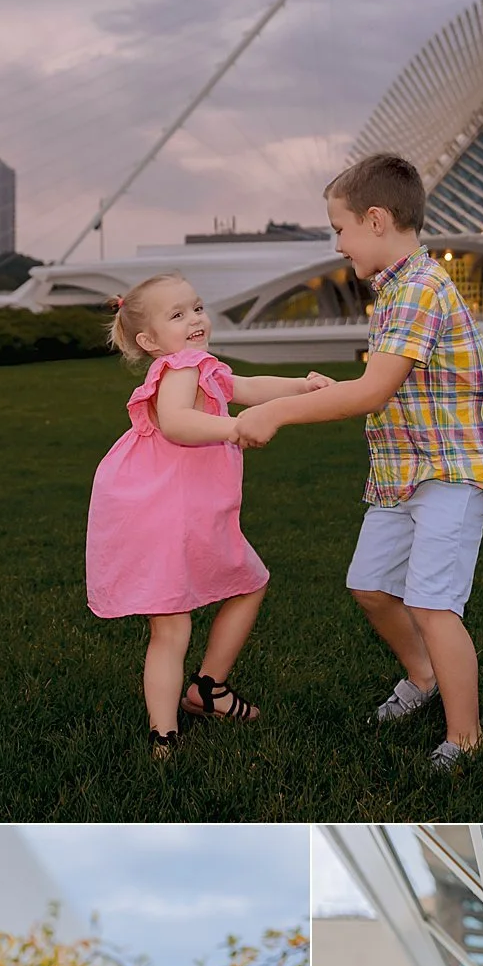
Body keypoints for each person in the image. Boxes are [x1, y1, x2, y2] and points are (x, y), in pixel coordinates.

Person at [235, 151, 483, 770]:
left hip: (450, 472)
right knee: (370, 586)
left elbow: (373, 391)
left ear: (377, 220)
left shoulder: (419, 290)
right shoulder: (394, 291)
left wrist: (275, 412)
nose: (336, 244)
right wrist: (326, 390)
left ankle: (466, 738)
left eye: (339, 228)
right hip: (402, 472)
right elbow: (381, 382)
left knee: (434, 605)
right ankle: (424, 677)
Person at [87, 272, 332, 758]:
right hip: (164, 513)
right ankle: (168, 729)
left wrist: (301, 387)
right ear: (148, 340)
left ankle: (204, 694)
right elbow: (177, 422)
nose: (195, 319)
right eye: (177, 315)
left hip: (186, 511)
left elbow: (244, 384)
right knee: (174, 625)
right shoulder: (178, 368)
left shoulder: (201, 364)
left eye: (196, 307)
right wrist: (234, 426)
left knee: (244, 583)